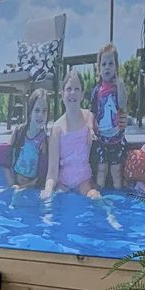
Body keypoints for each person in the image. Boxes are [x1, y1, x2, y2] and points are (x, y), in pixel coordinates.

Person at [43, 69, 99, 200]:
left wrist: (91, 128)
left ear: (82, 94)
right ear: (62, 94)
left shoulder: (88, 117)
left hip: (84, 182)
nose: (72, 92)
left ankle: (111, 220)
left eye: (76, 89)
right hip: (63, 184)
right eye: (68, 89)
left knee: (96, 198)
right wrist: (47, 190)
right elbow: (52, 171)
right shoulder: (57, 129)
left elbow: (91, 116)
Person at [90, 43, 129, 193]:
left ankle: (119, 196)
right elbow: (93, 112)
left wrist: (120, 84)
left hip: (117, 139)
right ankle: (99, 195)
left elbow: (123, 104)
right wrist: (92, 128)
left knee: (116, 171)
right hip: (101, 140)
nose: (107, 67)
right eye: (103, 64)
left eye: (111, 63)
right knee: (101, 169)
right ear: (98, 68)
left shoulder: (117, 88)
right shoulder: (96, 91)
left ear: (116, 67)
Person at [8, 88, 50, 189]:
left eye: (45, 111)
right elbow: (4, 160)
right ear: (30, 112)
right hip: (14, 182)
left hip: (31, 186)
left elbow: (42, 175)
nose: (41, 115)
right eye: (37, 110)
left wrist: (25, 187)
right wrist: (11, 183)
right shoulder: (19, 132)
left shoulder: (45, 140)